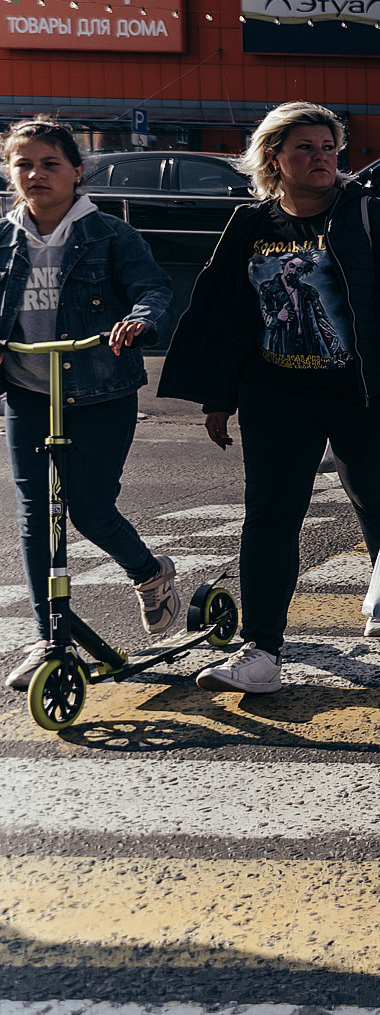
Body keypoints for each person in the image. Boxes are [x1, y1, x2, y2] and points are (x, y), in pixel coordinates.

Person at [159, 102, 380, 689]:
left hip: (364, 392)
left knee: (378, 502)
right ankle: (261, 649)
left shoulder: (366, 215)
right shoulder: (253, 224)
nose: (320, 158)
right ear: (274, 158)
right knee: (270, 516)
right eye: (305, 148)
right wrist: (219, 395)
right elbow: (230, 316)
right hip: (276, 392)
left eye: (328, 148)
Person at [0, 119, 178, 691]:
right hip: (28, 391)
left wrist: (141, 320)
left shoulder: (108, 233)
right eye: (23, 164)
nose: (35, 174)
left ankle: (150, 575)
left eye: (49, 163)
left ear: (77, 172)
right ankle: (48, 639)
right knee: (34, 517)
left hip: (100, 391)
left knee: (88, 508)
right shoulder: (4, 238)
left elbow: (153, 289)